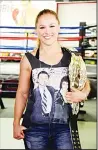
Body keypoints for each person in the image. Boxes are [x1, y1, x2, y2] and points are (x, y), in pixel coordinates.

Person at [13, 9, 90, 150]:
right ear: (36, 30)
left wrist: (83, 94)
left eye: (52, 26)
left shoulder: (72, 56)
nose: (47, 31)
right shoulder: (28, 59)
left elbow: (85, 84)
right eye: (42, 27)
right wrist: (16, 123)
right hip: (34, 128)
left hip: (64, 128)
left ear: (59, 27)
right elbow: (22, 93)